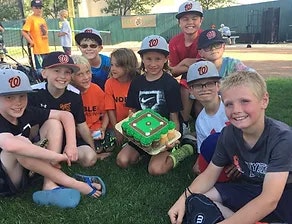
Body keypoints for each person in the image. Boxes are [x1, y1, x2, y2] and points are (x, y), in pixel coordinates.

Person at [168, 71, 292, 224]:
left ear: (264, 100)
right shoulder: (229, 133)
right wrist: (182, 199)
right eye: (229, 104)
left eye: (245, 101)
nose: (236, 110)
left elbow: (269, 199)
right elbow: (209, 174)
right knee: (197, 200)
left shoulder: (281, 138)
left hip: (283, 194)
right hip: (249, 187)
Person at [0, 69, 105, 207]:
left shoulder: (26, 112)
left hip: (25, 169)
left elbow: (65, 115)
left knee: (53, 123)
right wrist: (54, 156)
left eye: (22, 96)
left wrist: (71, 145)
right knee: (21, 143)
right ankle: (73, 183)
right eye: (9, 97)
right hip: (6, 181)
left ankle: (49, 183)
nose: (18, 102)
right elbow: (9, 145)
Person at [116, 35, 193, 176]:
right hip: (143, 132)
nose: (153, 63)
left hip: (164, 134)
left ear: (165, 59)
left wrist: (172, 139)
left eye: (158, 59)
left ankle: (183, 150)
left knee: (155, 170)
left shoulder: (170, 83)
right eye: (148, 58)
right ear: (142, 59)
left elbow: (174, 116)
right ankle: (146, 151)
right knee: (122, 161)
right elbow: (133, 112)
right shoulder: (137, 82)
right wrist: (132, 134)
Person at [28, 51, 109, 167]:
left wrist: (93, 150)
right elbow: (30, 125)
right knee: (53, 123)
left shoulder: (74, 94)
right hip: (43, 138)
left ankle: (59, 157)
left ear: (71, 76)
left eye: (67, 72)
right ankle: (49, 160)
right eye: (57, 71)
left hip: (68, 141)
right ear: (44, 73)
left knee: (89, 158)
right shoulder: (33, 92)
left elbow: (81, 124)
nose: (62, 76)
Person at [186, 61, 234, 182]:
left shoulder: (232, 107)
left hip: (243, 156)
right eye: (198, 85)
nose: (204, 89)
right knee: (198, 169)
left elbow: (251, 138)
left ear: (218, 85)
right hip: (222, 159)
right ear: (190, 90)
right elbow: (204, 152)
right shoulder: (201, 122)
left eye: (209, 83)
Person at [168, 1, 204, 133]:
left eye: (194, 18)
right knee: (184, 83)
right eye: (185, 19)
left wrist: (184, 62)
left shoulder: (204, 37)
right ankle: (184, 122)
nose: (190, 22)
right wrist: (188, 62)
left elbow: (204, 66)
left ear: (201, 20)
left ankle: (203, 123)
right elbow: (173, 72)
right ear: (179, 23)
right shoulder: (174, 42)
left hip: (206, 76)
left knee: (195, 83)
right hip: (186, 78)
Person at [71, 55, 115, 154]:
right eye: (80, 74)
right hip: (80, 131)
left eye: (88, 72)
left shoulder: (96, 89)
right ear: (71, 77)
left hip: (97, 128)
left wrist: (103, 128)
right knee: (94, 149)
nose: (86, 77)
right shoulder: (70, 94)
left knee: (108, 147)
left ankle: (104, 137)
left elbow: (106, 111)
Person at [104, 48, 139, 146]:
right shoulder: (109, 83)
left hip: (133, 123)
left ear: (128, 66)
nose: (113, 69)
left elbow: (136, 109)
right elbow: (110, 109)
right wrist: (117, 129)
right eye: (111, 65)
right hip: (115, 123)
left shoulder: (136, 82)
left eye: (117, 66)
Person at [21, 0, 49, 70]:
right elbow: (24, 31)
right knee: (41, 70)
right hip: (38, 49)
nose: (39, 9)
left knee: (47, 68)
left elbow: (45, 32)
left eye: (40, 7)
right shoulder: (31, 19)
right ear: (32, 8)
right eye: (36, 7)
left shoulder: (42, 19)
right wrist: (31, 41)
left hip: (46, 48)